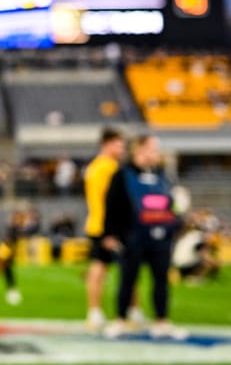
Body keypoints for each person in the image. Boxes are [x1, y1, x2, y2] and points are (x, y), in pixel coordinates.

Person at [102, 134, 186, 340]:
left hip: (160, 237)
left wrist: (178, 218)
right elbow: (111, 205)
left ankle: (162, 321)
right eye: (153, 149)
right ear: (139, 150)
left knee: (161, 281)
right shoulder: (122, 174)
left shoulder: (163, 175)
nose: (156, 154)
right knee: (128, 280)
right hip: (132, 236)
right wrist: (110, 233)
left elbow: (172, 205)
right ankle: (121, 320)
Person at [83, 127, 131, 329]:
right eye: (119, 145)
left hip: (98, 223)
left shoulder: (95, 166)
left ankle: (96, 312)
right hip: (108, 225)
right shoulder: (108, 167)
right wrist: (111, 229)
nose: (122, 149)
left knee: (103, 267)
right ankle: (97, 312)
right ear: (107, 144)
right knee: (121, 268)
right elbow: (110, 199)